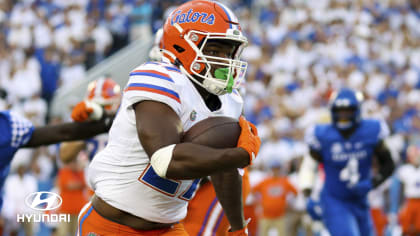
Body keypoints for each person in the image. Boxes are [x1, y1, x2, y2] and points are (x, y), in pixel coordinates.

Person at [75, 1, 261, 235]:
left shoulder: (230, 101)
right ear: (182, 46)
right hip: (113, 224)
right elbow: (165, 160)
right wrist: (242, 154)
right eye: (214, 51)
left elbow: (226, 170)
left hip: (169, 228)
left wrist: (237, 227)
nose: (223, 61)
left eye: (228, 52)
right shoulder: (158, 78)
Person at [301, 88, 395, 236]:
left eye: (348, 111)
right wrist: (308, 194)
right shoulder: (322, 134)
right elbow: (309, 165)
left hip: (360, 201)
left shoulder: (371, 130)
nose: (343, 115)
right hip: (334, 199)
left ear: (357, 110)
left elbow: (389, 164)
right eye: (340, 110)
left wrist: (373, 182)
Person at [0, 108, 112, 210]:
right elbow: (62, 135)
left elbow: (61, 133)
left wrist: (106, 124)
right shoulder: (8, 126)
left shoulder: (8, 127)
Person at [397, 144, 420, 236]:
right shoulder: (404, 170)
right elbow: (400, 189)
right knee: (405, 227)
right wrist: (400, 204)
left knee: (418, 227)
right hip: (409, 201)